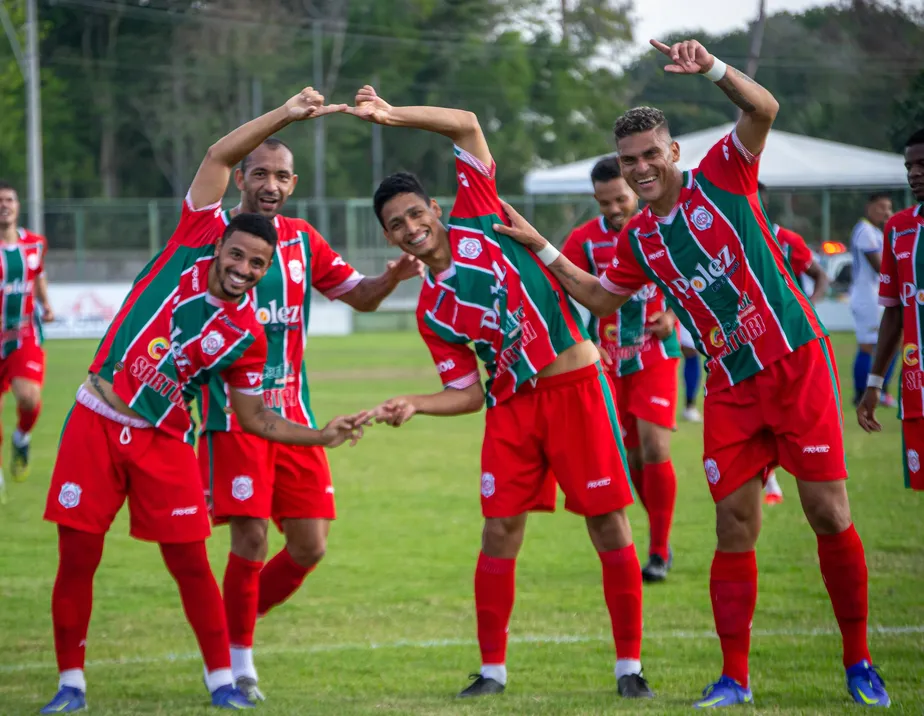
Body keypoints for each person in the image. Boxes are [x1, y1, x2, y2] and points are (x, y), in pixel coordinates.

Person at [494, 38, 888, 709]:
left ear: (673, 152)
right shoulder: (639, 238)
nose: (642, 167)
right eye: (630, 161)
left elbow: (764, 107)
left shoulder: (722, 176)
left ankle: (859, 664)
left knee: (827, 513)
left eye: (651, 154)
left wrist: (710, 68)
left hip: (795, 361)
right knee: (733, 526)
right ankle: (735, 678)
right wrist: (541, 246)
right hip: (730, 385)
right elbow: (600, 297)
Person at [39, 87, 368, 714]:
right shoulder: (190, 240)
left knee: (191, 563)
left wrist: (320, 435)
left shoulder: (245, 337)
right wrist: (286, 113)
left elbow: (257, 416)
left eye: (257, 262)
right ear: (217, 245)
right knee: (77, 557)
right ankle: (71, 686)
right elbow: (219, 157)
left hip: (165, 438)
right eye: (236, 255)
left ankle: (223, 684)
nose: (244, 267)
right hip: (96, 419)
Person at [347, 85, 653, 700]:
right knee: (498, 531)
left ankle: (629, 670)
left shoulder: (482, 215)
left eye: (415, 213)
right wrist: (415, 403)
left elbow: (466, 120)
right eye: (396, 224)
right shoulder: (431, 311)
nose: (410, 227)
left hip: (574, 385)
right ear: (389, 237)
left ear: (435, 208)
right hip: (512, 408)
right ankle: (491, 672)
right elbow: (464, 392)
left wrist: (391, 114)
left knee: (607, 522)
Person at [198, 136, 423, 702]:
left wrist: (393, 278)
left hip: (295, 416)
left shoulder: (304, 242)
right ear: (240, 177)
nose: (270, 185)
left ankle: (228, 629)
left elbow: (361, 296)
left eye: (282, 176)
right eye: (260, 174)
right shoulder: (209, 239)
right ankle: (240, 664)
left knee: (309, 547)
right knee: (248, 537)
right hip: (234, 417)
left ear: (293, 184)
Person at [561, 157, 680, 582]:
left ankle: (659, 552)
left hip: (655, 354)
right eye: (604, 202)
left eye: (619, 199)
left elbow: (689, 277)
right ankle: (659, 529)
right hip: (609, 362)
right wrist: (584, 340)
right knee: (630, 461)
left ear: (633, 188)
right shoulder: (584, 241)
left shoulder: (662, 227)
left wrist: (673, 315)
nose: (613, 208)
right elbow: (561, 289)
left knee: (655, 449)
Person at [857, 128, 924, 491]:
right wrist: (874, 384)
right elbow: (895, 313)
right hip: (916, 387)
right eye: (909, 165)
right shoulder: (898, 229)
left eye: (922, 164)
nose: (914, 173)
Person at [756, 181, 831, 505]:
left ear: (763, 202)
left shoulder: (787, 240)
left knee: (793, 415)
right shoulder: (728, 239)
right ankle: (770, 480)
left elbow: (821, 275)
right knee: (759, 414)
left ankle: (806, 475)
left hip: (794, 344)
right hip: (752, 344)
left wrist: (808, 305)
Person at [0, 181, 54, 503]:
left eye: (9, 199)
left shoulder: (34, 244)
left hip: (22, 333)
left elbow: (38, 274)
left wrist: (46, 303)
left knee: (29, 397)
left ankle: (22, 437)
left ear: (17, 206)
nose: (4, 205)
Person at [850, 192, 896, 407]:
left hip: (874, 296)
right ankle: (861, 394)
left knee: (891, 342)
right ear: (869, 208)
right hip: (867, 298)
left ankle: (880, 391)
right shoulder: (865, 231)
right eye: (881, 207)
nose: (886, 212)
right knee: (868, 346)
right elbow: (880, 266)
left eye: (888, 208)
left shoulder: (876, 231)